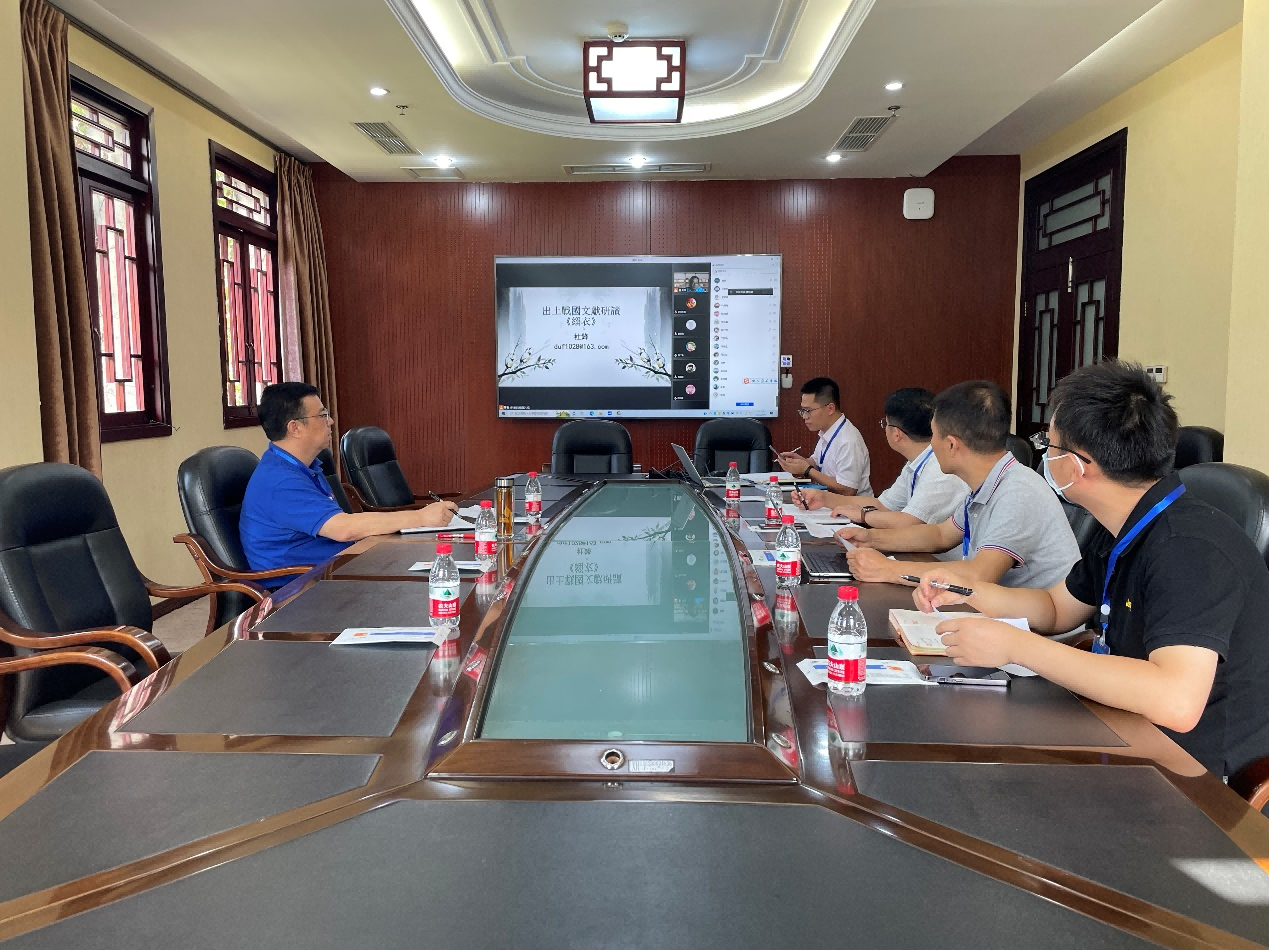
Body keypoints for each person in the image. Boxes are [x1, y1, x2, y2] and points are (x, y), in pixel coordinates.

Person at [915, 362, 1269, 779]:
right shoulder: (1123, 526)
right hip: (1122, 729)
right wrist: (968, 590)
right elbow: (1055, 608)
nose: (1045, 455)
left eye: (1050, 445)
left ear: (1077, 466)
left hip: (1195, 775)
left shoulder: (1189, 546)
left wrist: (1016, 647)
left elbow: (1176, 700)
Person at [837, 380, 1077, 587]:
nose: (931, 446)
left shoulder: (1018, 491)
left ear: (952, 445)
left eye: (934, 435)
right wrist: (870, 539)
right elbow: (941, 535)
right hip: (989, 609)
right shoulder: (988, 483)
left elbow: (980, 574)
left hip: (1027, 623)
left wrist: (889, 570)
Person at [239, 382, 456, 585]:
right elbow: (343, 529)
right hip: (301, 587)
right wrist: (420, 517)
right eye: (322, 415)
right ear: (295, 428)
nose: (330, 421)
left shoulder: (305, 466)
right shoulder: (280, 481)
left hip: (335, 568)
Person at [793, 387, 965, 528]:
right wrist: (824, 499)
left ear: (896, 434)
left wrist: (864, 518)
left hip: (933, 557)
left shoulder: (939, 468)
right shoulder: (915, 463)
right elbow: (883, 505)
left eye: (885, 423)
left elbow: (910, 522)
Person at [777, 377, 871, 495]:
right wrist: (799, 461)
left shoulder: (848, 441)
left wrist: (807, 470)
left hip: (851, 505)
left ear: (830, 408)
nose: (804, 416)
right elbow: (817, 464)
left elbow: (848, 490)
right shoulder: (828, 431)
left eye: (808, 411)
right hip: (827, 501)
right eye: (802, 411)